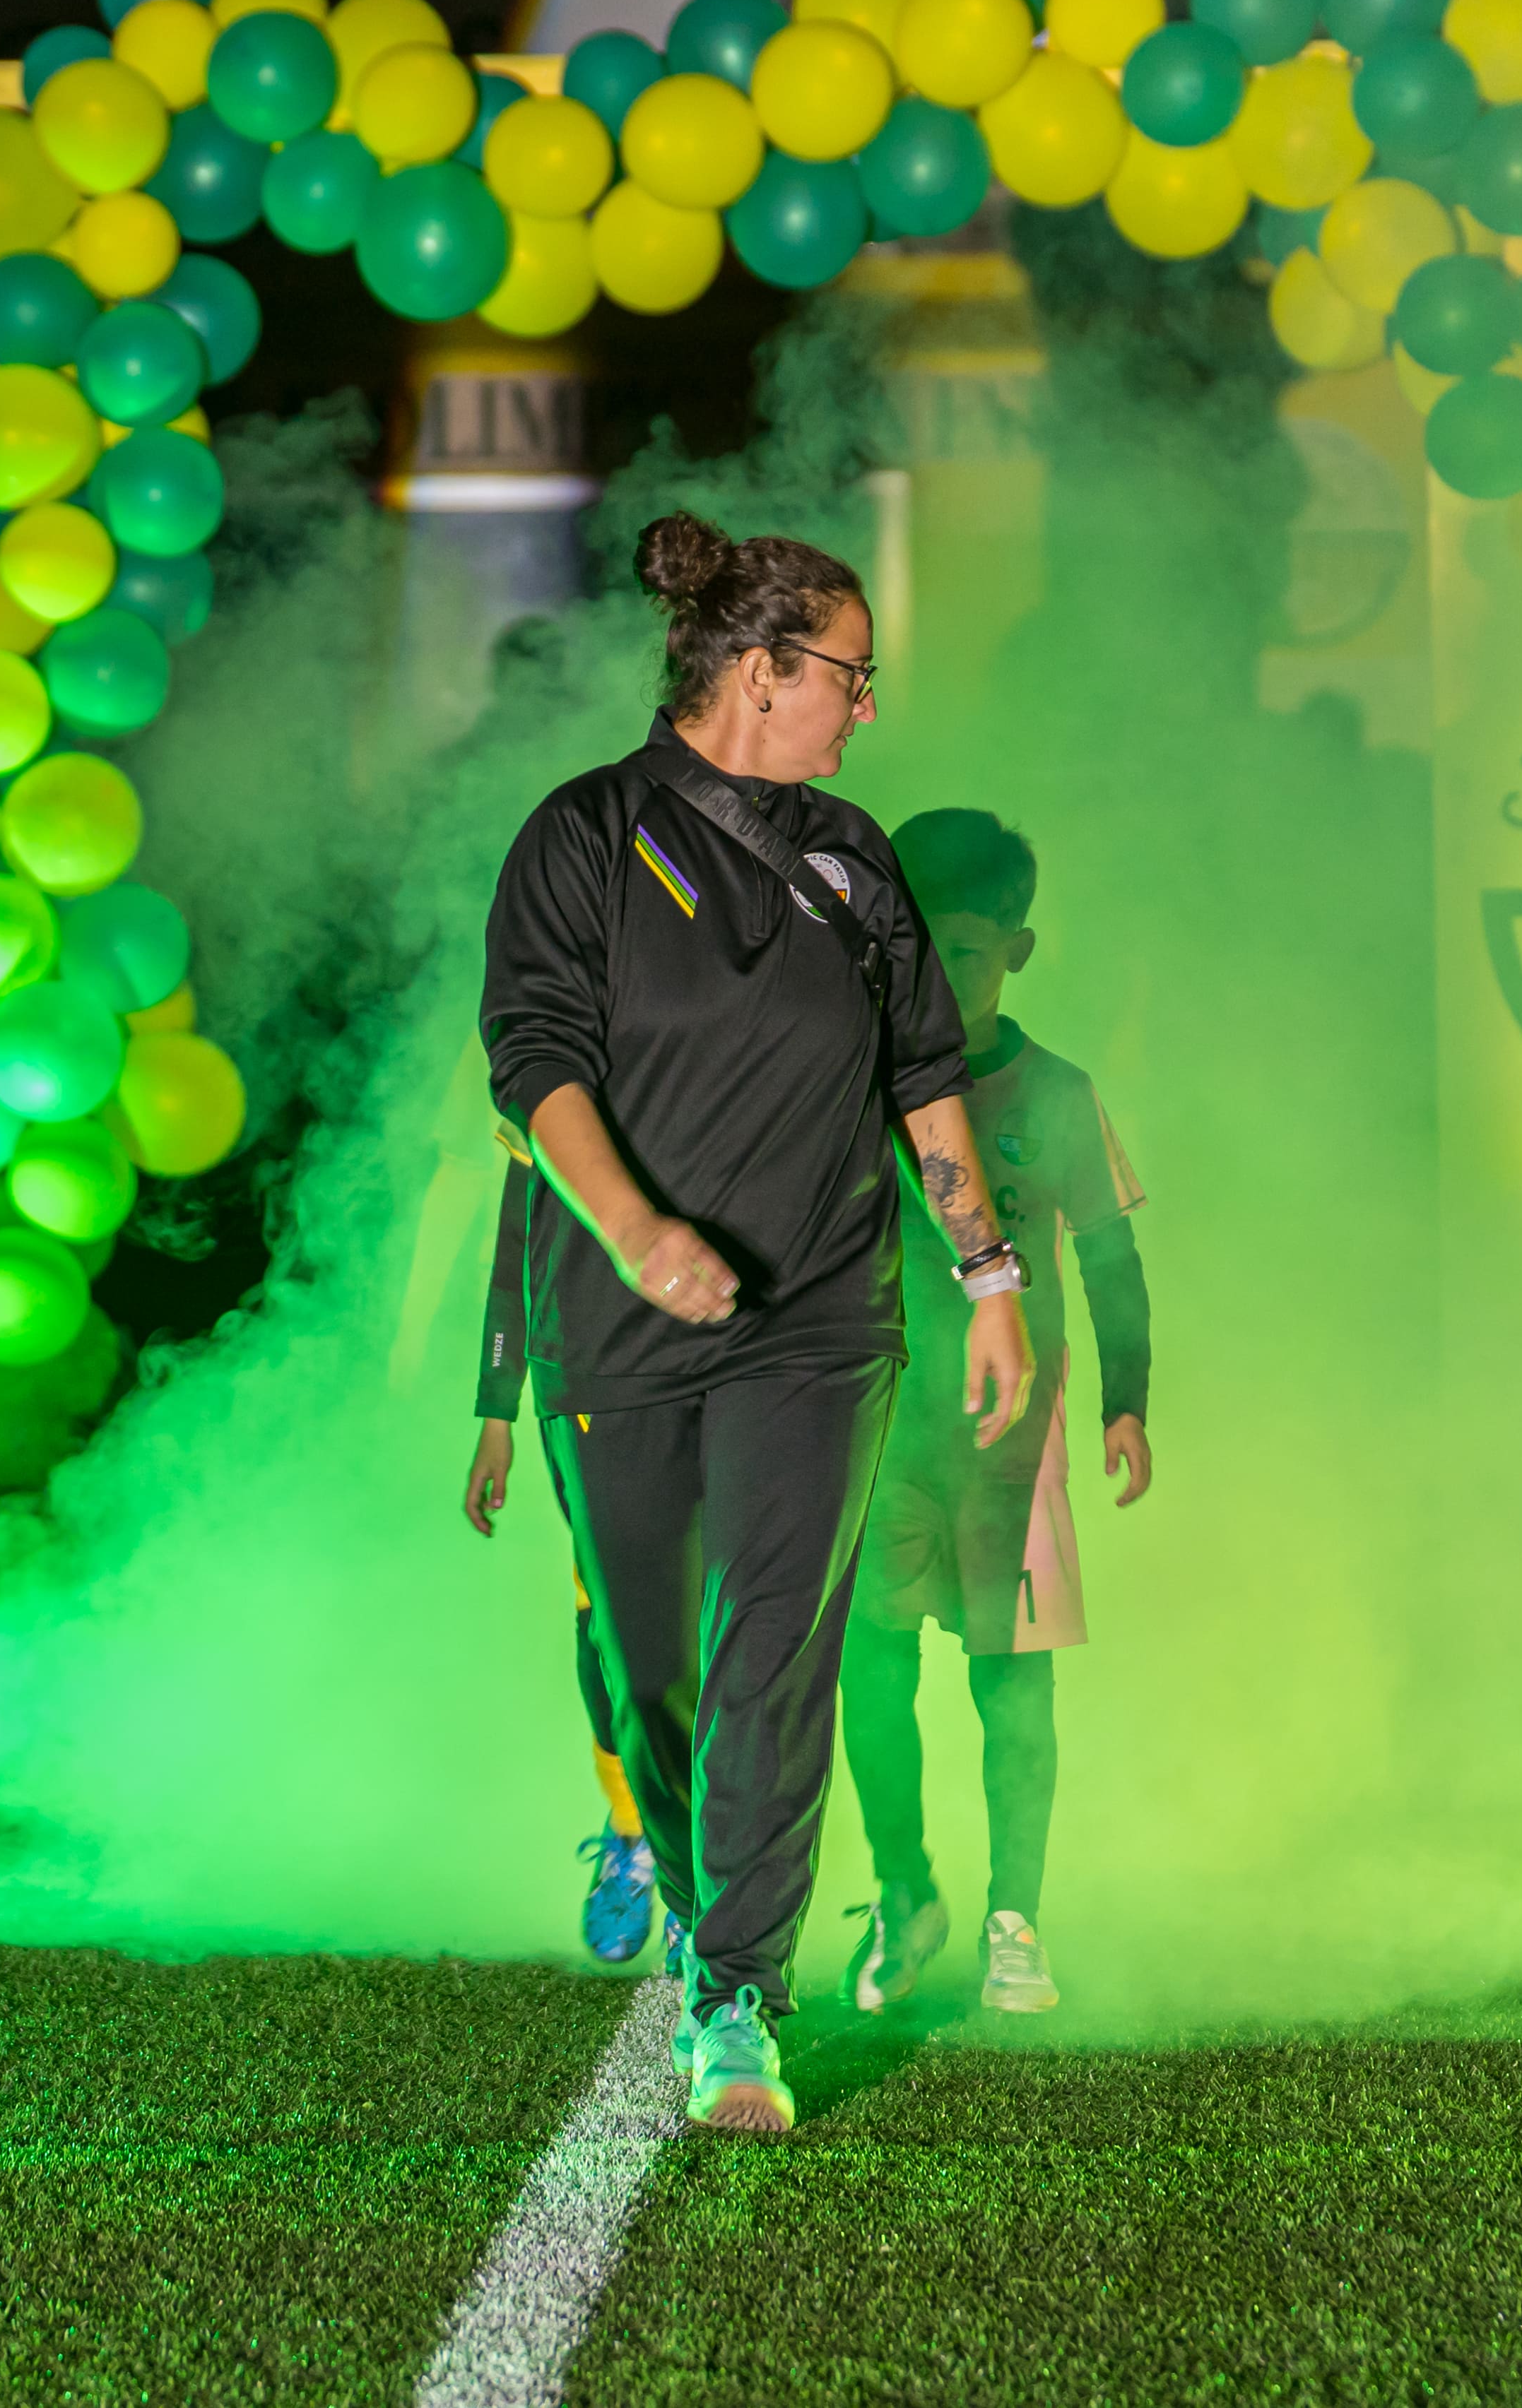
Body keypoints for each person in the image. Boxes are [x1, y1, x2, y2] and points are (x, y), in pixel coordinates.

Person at [478, 512, 1032, 2135]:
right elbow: (532, 1058)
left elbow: (922, 1075)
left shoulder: (857, 858)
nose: (867, 708)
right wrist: (638, 1230)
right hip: (620, 1315)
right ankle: (678, 1870)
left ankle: (736, 1990)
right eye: (849, 676)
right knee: (648, 1659)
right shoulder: (579, 836)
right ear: (763, 667)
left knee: (771, 1649)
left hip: (820, 1321)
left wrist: (987, 1275)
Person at [839, 809, 1153, 2017]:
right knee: (869, 1662)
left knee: (1011, 1677)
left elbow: (1114, 1256)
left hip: (1011, 1446)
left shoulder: (1059, 1092)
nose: (940, 970)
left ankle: (1014, 1918)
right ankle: (904, 1884)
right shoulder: (846, 1074)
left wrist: (1128, 1401)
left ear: (1015, 949)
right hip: (877, 1425)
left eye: (966, 949)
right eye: (918, 942)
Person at [461, 1138, 660, 1969]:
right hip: (585, 1388)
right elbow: (516, 1255)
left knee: (716, 1627)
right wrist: (495, 1413)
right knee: (608, 1632)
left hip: (714, 1381)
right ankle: (631, 1836)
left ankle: (700, 1867)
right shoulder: (551, 1085)